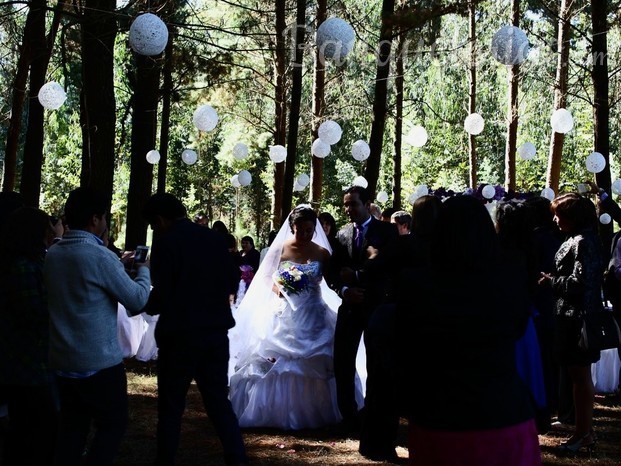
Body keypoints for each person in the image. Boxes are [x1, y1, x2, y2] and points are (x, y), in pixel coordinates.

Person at [396, 195, 540, 465]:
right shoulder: (510, 277)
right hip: (502, 410)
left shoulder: (416, 284)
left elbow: (404, 343)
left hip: (439, 414)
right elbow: (519, 327)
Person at [44, 187, 151, 466]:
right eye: (104, 217)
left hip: (61, 361)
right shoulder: (99, 257)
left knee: (70, 431)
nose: (104, 223)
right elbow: (137, 300)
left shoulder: (53, 254)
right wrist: (143, 269)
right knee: (112, 427)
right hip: (98, 364)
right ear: (94, 219)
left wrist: (117, 264)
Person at [142, 193, 248, 466]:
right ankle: (237, 458)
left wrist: (146, 303)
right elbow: (232, 277)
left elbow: (162, 291)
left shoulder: (166, 241)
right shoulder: (213, 238)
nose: (155, 230)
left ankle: (164, 461)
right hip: (214, 333)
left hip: (179, 337)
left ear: (160, 220)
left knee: (171, 407)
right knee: (218, 403)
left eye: (153, 225)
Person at [229, 206, 345, 430]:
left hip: (314, 313)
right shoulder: (280, 250)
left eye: (309, 230)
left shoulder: (322, 252)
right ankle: (274, 410)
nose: (304, 235)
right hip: (285, 311)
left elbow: (331, 281)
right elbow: (264, 278)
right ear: (292, 228)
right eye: (300, 230)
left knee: (321, 361)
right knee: (277, 359)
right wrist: (280, 289)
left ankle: (320, 410)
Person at [329, 186, 398, 438]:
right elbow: (334, 270)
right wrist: (345, 289)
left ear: (367, 204)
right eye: (346, 205)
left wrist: (359, 276)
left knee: (376, 365)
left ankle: (372, 417)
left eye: (353, 204)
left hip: (376, 308)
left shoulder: (387, 231)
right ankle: (348, 418)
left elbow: (388, 265)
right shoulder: (342, 233)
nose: (348, 210)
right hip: (349, 307)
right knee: (342, 363)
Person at [538, 192, 603, 453]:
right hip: (569, 315)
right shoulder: (578, 239)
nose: (555, 220)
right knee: (577, 376)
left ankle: (583, 432)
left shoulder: (584, 242)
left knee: (580, 376)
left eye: (560, 215)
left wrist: (551, 281)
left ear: (573, 217)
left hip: (577, 318)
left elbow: (580, 283)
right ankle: (583, 430)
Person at [0, 207, 58, 465]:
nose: (51, 231)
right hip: (28, 362)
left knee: (28, 427)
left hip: (29, 361)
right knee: (34, 428)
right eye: (47, 227)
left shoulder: (31, 262)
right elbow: (32, 314)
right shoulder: (24, 267)